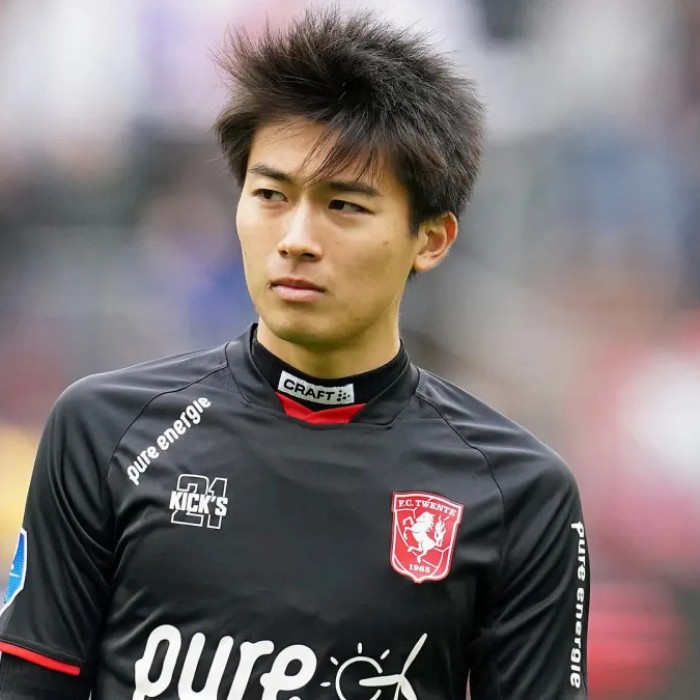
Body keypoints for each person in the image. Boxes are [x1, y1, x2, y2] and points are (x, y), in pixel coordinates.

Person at [0, 7, 589, 699]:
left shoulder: (519, 493)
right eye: (272, 195)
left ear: (431, 239)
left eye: (345, 206)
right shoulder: (104, 431)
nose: (297, 239)